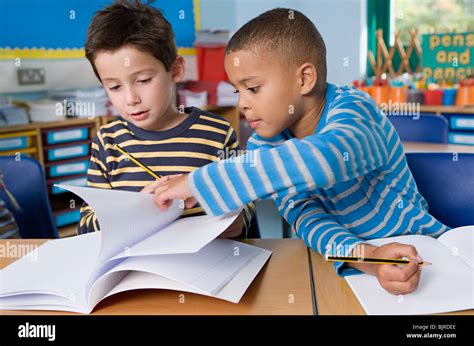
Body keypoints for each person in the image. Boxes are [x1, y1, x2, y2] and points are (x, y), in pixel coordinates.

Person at [153, 8, 449, 295]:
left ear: (304, 79)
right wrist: (370, 259)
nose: (242, 104)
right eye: (236, 91)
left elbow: (327, 159)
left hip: (425, 252)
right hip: (360, 267)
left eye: (252, 88)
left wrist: (199, 182)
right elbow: (308, 220)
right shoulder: (264, 145)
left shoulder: (355, 109)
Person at [78, 0, 254, 237]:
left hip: (205, 264)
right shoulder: (107, 142)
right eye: (114, 86)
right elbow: (87, 225)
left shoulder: (217, 134)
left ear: (176, 70)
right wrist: (132, 209)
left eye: (143, 80)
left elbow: (246, 207)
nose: (131, 99)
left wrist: (231, 219)